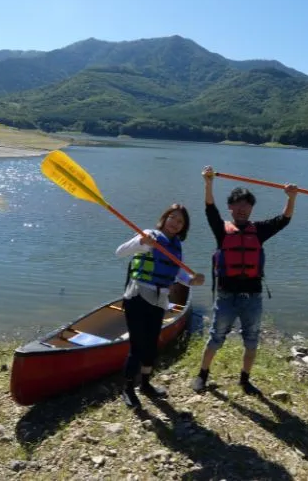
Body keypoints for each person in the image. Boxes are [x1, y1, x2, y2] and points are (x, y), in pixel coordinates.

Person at [191, 166, 298, 395]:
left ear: (251, 208)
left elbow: (284, 219)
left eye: (246, 205)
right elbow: (210, 209)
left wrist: (291, 198)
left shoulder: (258, 231)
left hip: (253, 297)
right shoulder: (221, 230)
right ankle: (202, 375)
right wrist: (208, 183)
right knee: (216, 338)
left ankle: (245, 379)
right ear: (230, 207)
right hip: (226, 296)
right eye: (237, 205)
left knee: (251, 340)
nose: (242, 209)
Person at [116, 203, 205, 408]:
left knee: (151, 345)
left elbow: (178, 274)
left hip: (159, 300)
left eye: (180, 221)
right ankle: (128, 388)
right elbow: (120, 252)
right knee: (137, 345)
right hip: (138, 296)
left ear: (184, 227)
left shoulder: (176, 246)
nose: (175, 223)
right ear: (164, 218)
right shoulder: (149, 235)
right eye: (172, 217)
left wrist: (192, 281)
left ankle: (146, 384)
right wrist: (141, 242)